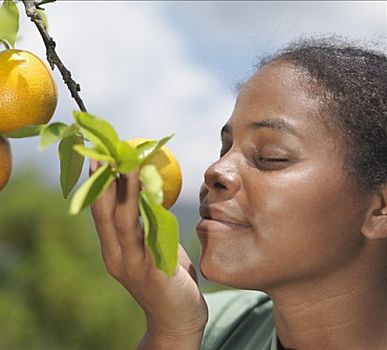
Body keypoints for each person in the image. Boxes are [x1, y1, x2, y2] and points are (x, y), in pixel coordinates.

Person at [90, 37, 387, 350]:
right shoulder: (210, 327)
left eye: (271, 156)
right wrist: (172, 333)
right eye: (225, 147)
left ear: (379, 208)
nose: (216, 170)